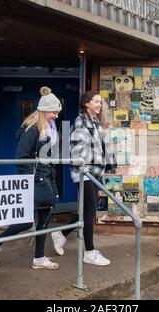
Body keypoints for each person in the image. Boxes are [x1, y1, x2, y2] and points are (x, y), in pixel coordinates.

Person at [0, 86, 62, 270]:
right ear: (43, 111)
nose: (56, 116)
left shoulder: (49, 129)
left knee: (44, 219)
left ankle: (39, 258)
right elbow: (21, 157)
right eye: (54, 112)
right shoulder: (33, 130)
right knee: (27, 221)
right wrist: (34, 178)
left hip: (45, 180)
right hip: (35, 182)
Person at [51, 90, 116, 266]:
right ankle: (89, 252)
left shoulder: (95, 123)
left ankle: (61, 234)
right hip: (85, 173)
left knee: (88, 210)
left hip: (94, 173)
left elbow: (101, 147)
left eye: (100, 102)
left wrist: (108, 164)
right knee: (89, 211)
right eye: (96, 102)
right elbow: (78, 151)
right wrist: (90, 167)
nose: (99, 105)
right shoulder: (81, 122)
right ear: (86, 103)